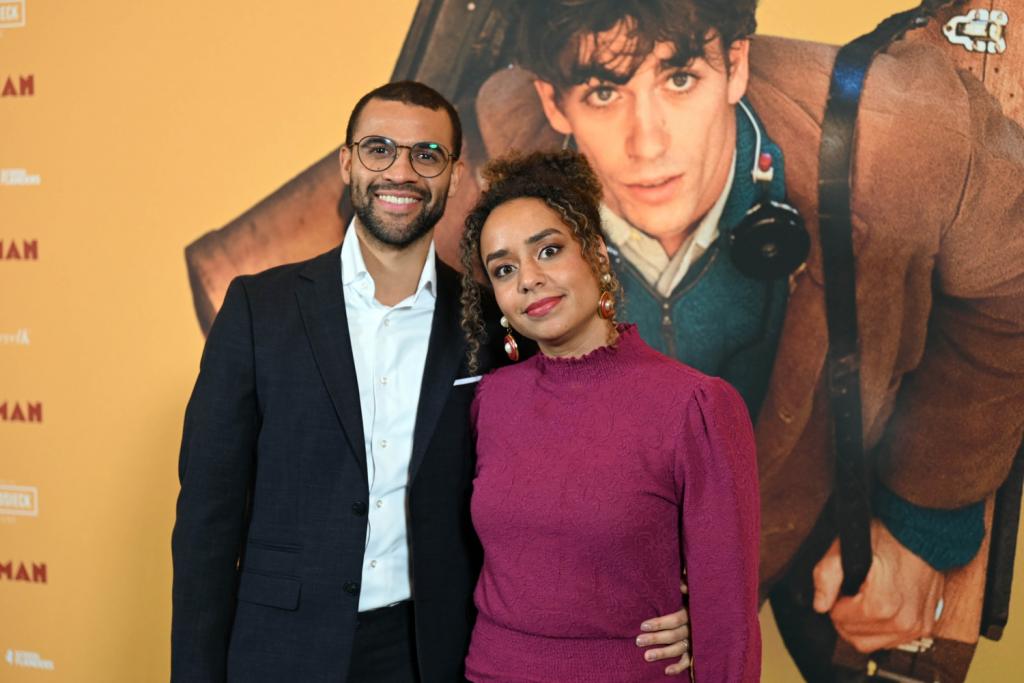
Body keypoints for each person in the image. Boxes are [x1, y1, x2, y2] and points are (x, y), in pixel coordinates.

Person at [474, 0, 1024, 678]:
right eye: (604, 93)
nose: (648, 144)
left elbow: (1011, 288)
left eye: (679, 78)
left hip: (834, 505)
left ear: (735, 64)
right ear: (553, 103)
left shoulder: (904, 131)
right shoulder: (497, 151)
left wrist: (922, 523)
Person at [171, 80, 690, 683]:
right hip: (282, 648)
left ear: (454, 174)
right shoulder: (259, 309)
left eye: (426, 155)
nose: (401, 172)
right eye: (379, 149)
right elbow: (207, 518)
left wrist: (676, 591)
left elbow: (566, 481)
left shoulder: (495, 320)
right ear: (347, 163)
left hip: (435, 651)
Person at [457, 149, 761, 682]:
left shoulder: (695, 406)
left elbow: (728, 621)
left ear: (596, 254)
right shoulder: (491, 401)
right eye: (505, 269)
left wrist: (703, 617)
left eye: (548, 250)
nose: (528, 279)